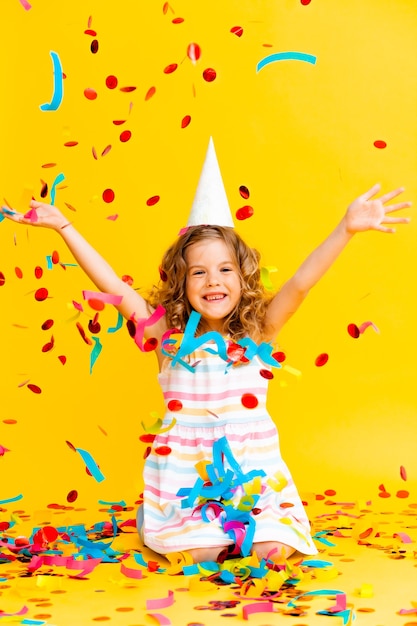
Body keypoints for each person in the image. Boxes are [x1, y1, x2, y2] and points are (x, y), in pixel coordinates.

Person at [0, 176, 410, 565]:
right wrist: (65, 226)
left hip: (253, 480)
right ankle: (158, 520)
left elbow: (301, 283)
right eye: (199, 271)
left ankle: (249, 533)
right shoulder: (166, 336)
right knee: (202, 555)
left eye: (225, 269)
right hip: (186, 482)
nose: (213, 281)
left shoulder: (260, 331)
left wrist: (346, 228)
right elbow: (114, 287)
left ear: (244, 277)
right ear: (181, 281)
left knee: (270, 550)